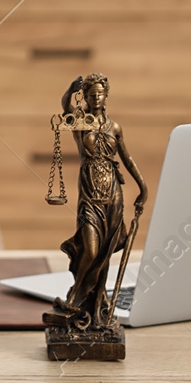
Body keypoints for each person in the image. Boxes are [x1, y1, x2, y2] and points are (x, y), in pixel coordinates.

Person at [48, 73, 147, 330]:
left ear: (106, 96)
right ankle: (75, 298)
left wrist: (143, 186)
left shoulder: (115, 127)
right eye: (91, 94)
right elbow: (65, 106)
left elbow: (127, 159)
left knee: (104, 253)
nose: (95, 98)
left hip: (113, 193)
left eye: (99, 94)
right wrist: (70, 90)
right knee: (91, 250)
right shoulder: (81, 123)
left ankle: (93, 307)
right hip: (90, 193)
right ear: (87, 97)